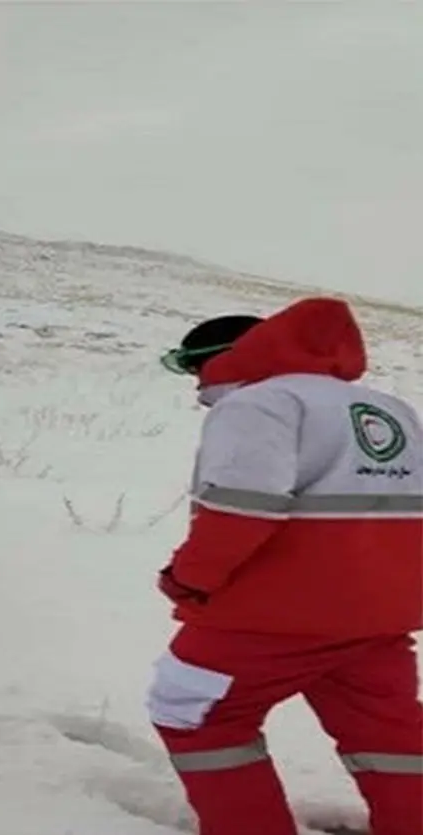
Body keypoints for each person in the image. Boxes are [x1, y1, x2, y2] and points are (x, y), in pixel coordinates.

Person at [148, 297, 423, 835]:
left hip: (269, 617)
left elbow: (240, 509)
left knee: (195, 713)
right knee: (390, 737)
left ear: (227, 357)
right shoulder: (386, 407)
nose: (195, 385)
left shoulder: (259, 403)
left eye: (194, 367)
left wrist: (188, 579)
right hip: (381, 616)